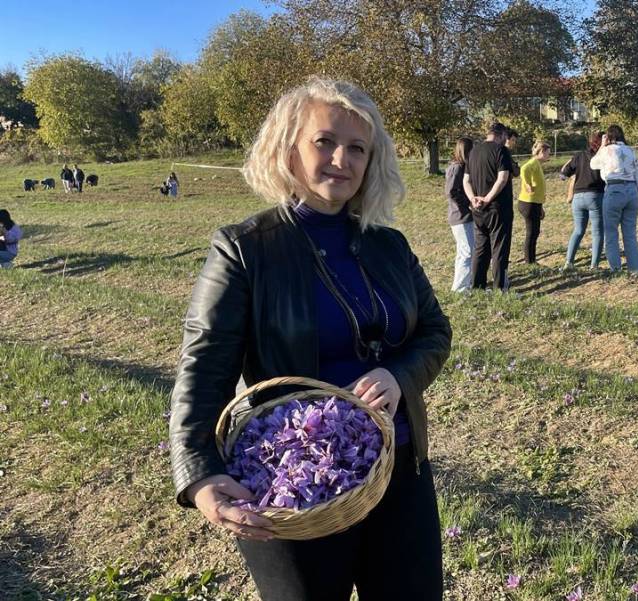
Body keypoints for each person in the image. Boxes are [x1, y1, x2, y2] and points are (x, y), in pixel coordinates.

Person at [168, 77, 452, 601]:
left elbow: (435, 332)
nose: (341, 159)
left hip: (398, 468)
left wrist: (399, 373)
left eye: (358, 148)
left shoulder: (389, 245)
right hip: (293, 483)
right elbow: (203, 366)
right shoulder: (244, 249)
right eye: (325, 141)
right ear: (288, 148)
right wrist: (200, 473)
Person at [463, 122, 514, 291]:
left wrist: (473, 199)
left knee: (480, 248)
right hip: (498, 207)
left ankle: (477, 286)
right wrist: (487, 199)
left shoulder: (473, 152)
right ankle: (500, 288)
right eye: (505, 137)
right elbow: (503, 178)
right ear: (501, 135)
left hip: (478, 209)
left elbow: (466, 181)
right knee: (499, 247)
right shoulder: (501, 151)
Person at [590, 125, 638, 274]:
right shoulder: (631, 150)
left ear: (608, 136)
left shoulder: (607, 150)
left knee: (611, 232)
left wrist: (601, 146)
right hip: (632, 190)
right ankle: (635, 269)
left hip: (614, 189)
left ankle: (616, 268)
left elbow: (593, 164)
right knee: (630, 233)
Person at [560, 131, 605, 269]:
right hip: (595, 196)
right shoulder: (602, 156)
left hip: (578, 198)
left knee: (578, 230)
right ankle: (594, 265)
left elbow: (563, 175)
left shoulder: (578, 156)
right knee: (597, 232)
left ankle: (569, 262)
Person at [444, 137, 474, 291]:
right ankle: (460, 289)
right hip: (459, 215)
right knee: (467, 251)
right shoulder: (457, 168)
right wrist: (467, 205)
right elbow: (451, 192)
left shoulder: (461, 167)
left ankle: (465, 283)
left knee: (465, 250)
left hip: (463, 214)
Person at [517, 141, 551, 265]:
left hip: (535, 203)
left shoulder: (538, 165)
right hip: (528, 203)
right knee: (532, 232)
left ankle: (531, 259)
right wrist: (527, 184)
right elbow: (524, 169)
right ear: (541, 152)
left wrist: (540, 207)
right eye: (547, 153)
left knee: (534, 232)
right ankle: (530, 261)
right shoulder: (533, 163)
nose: (549, 156)